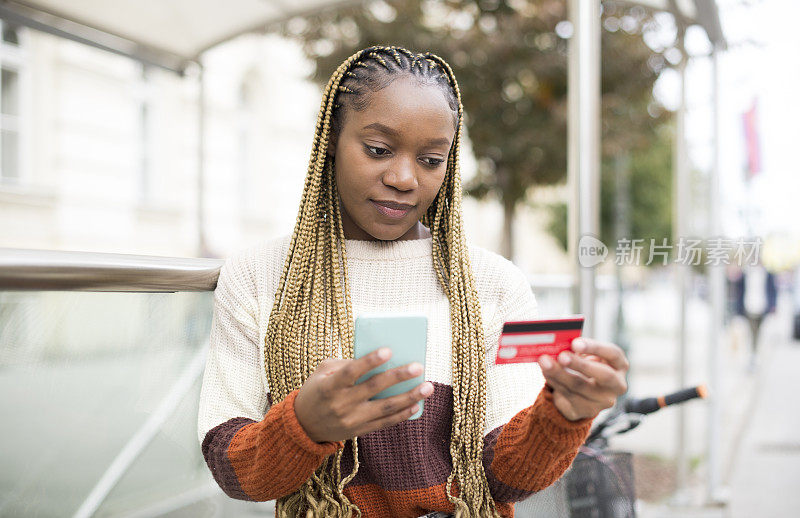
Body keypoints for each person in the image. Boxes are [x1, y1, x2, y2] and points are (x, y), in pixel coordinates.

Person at [197, 45, 629, 518]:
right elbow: (233, 472)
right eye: (378, 150)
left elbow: (507, 480)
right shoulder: (259, 275)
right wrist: (304, 424)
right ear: (331, 141)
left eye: (430, 160)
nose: (404, 178)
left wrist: (564, 414)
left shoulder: (495, 284)